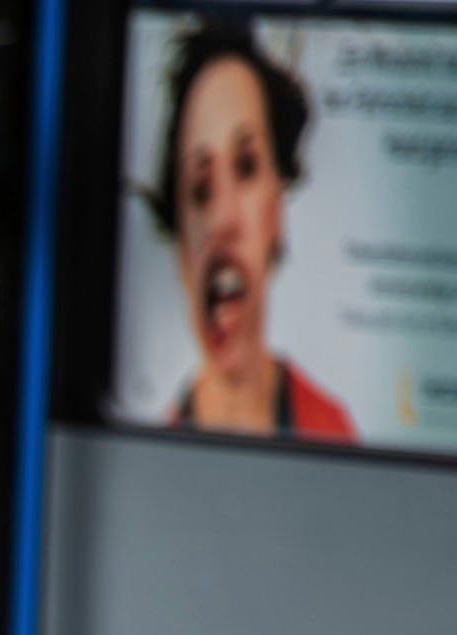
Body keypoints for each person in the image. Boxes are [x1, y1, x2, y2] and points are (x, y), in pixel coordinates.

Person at [143, 17, 354, 442]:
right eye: (201, 189)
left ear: (277, 207)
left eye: (246, 166)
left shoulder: (332, 431)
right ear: (180, 242)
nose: (223, 220)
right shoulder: (151, 444)